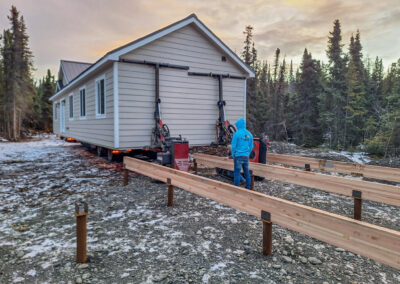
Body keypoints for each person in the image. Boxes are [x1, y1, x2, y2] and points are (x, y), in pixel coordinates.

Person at [231, 118, 254, 189]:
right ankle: (248, 188)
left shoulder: (236, 134)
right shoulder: (249, 134)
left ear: (238, 125)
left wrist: (233, 154)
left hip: (238, 156)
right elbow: (251, 146)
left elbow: (233, 146)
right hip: (246, 157)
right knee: (246, 172)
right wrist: (248, 153)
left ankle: (236, 189)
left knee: (237, 173)